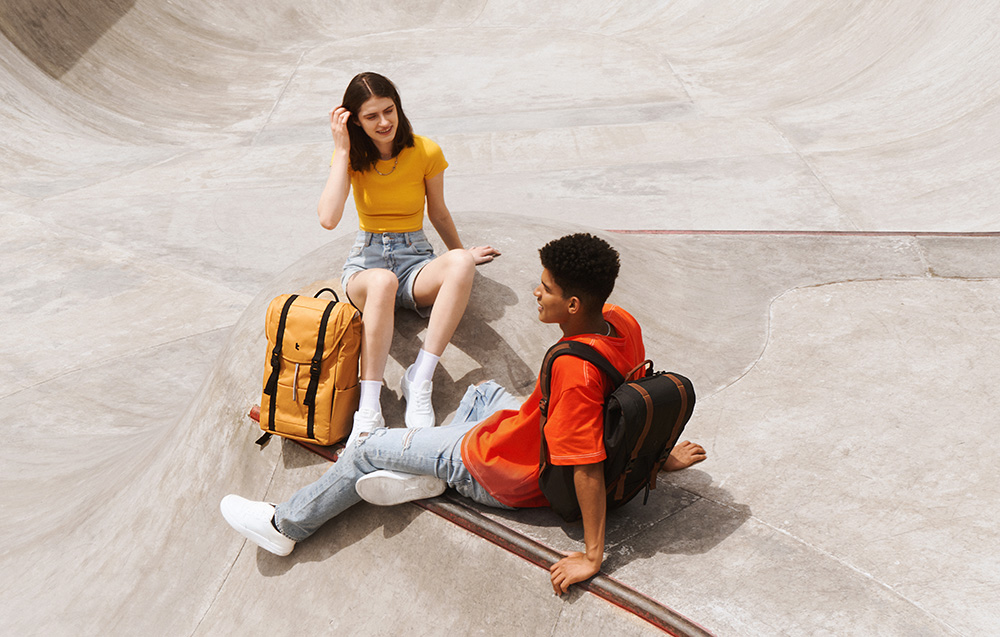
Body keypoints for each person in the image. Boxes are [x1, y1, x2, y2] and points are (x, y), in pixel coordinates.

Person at [221, 233, 707, 595]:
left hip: (495, 469)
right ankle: (424, 474)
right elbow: (630, 405)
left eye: (546, 288)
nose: (536, 293)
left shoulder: (576, 372)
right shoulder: (620, 323)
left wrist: (593, 556)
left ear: (574, 304)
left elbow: (584, 465)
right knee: (483, 394)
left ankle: (286, 525)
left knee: (366, 448)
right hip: (516, 435)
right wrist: (657, 459)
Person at [316, 71, 501, 439]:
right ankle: (369, 408)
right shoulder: (351, 158)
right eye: (371, 116)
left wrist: (458, 256)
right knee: (383, 281)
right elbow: (328, 218)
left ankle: (421, 377)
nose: (384, 122)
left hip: (415, 259)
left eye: (389, 110)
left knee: (462, 263)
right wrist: (341, 149)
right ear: (355, 120)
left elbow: (439, 212)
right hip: (367, 266)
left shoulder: (425, 151)